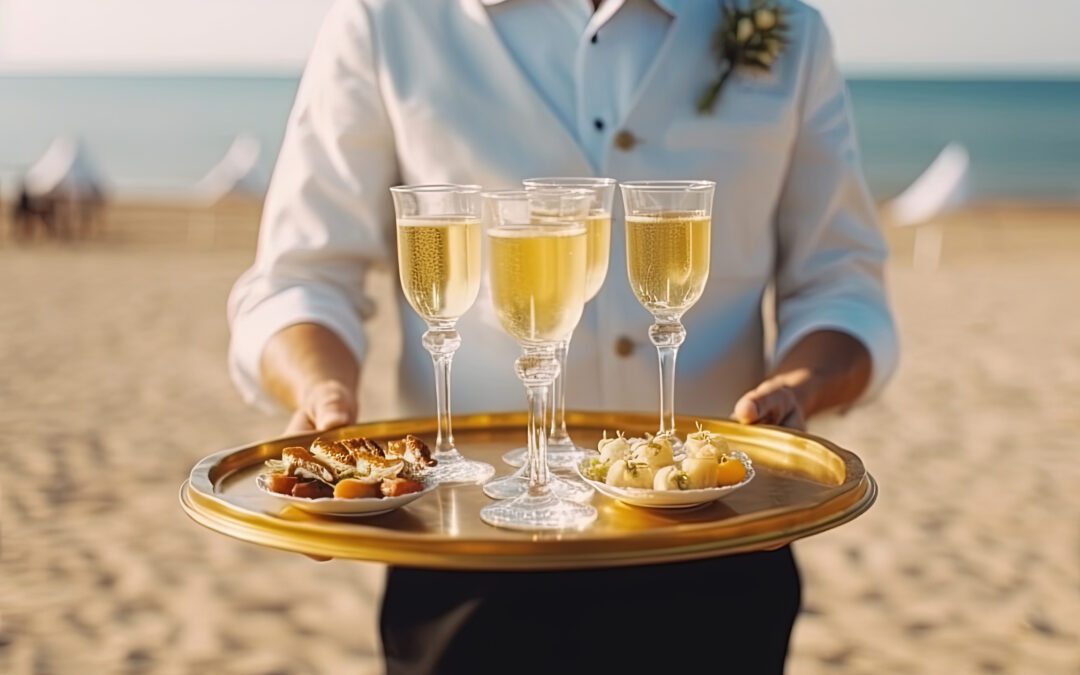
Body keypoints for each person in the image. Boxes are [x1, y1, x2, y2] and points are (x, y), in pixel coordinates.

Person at [228, 0, 898, 672]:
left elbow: (841, 282)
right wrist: (322, 392)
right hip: (468, 551)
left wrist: (802, 386)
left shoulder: (788, 27)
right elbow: (302, 276)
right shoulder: (385, 18)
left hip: (720, 543)